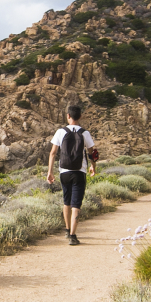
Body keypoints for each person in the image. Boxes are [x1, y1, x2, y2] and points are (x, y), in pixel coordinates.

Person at [45, 104, 96, 245]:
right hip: (79, 172)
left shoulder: (60, 132)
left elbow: (53, 153)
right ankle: (73, 236)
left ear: (68, 116)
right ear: (80, 116)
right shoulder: (85, 133)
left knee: (66, 201)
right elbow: (92, 152)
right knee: (76, 205)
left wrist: (50, 172)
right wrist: (93, 166)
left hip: (64, 172)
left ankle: (67, 230)